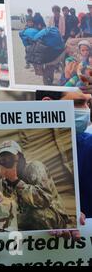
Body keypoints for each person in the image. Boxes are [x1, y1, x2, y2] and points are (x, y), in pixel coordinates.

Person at [37, 90, 92, 221]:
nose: (86, 110)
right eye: (79, 103)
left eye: (88, 103)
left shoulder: (88, 146)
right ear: (48, 104)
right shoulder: (25, 147)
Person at [0, 140, 71, 230]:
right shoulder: (4, 182)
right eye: (3, 160)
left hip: (52, 216)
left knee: (35, 213)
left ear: (20, 157)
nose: (7, 163)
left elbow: (44, 199)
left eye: (10, 159)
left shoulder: (34, 167)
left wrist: (16, 182)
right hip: (25, 219)